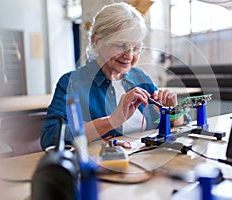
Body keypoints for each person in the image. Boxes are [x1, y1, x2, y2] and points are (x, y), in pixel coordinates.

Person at [40, 2, 185, 150]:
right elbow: (50, 138)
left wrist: (172, 113)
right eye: (121, 46)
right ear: (97, 42)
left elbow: (181, 124)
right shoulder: (72, 83)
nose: (129, 56)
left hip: (146, 165)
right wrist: (111, 121)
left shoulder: (141, 78)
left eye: (136, 48)